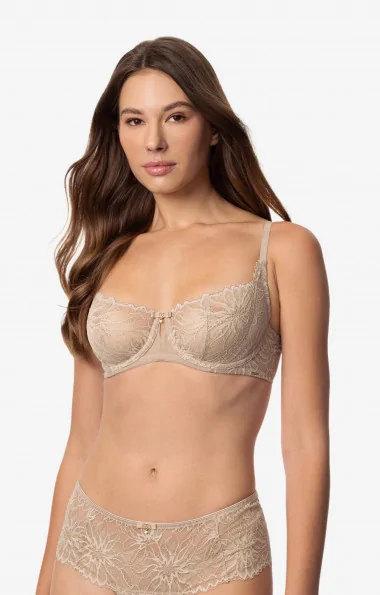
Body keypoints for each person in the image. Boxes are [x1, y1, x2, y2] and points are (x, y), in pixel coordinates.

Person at [36, 36, 330, 595]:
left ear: (213, 126)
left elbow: (304, 442)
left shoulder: (283, 250)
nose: (154, 140)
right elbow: (81, 439)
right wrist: (43, 582)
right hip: (91, 546)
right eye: (134, 120)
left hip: (219, 551)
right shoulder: (106, 258)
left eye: (175, 116)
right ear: (117, 133)